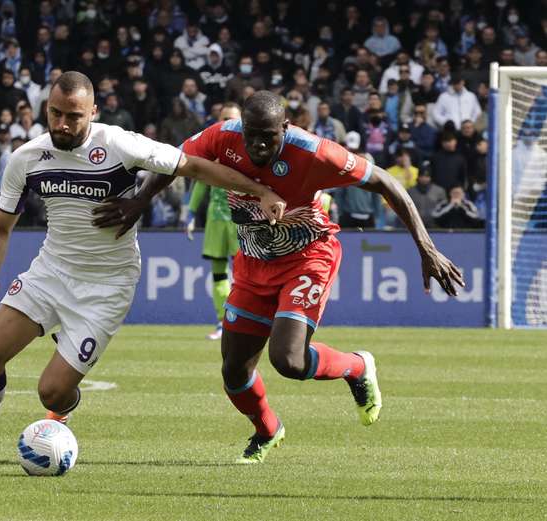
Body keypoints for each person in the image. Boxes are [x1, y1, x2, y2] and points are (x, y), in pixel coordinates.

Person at [0, 71, 286, 463]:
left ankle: (64, 405)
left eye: (73, 116)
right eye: (55, 114)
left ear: (93, 112)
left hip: (107, 284)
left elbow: (193, 166)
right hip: (51, 272)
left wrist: (261, 191)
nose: (62, 124)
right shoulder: (26, 158)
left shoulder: (119, 144)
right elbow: (0, 226)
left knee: (51, 392)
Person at [100, 91, 464, 463]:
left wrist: (426, 246)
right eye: (251, 134)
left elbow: (386, 181)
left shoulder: (315, 153)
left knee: (288, 360)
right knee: (234, 371)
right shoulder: (221, 137)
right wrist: (141, 201)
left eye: (268, 136)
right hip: (255, 263)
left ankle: (357, 366)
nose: (258, 144)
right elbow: (175, 161)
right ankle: (267, 429)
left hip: (308, 257)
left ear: (286, 129)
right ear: (241, 127)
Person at [185, 102, 242, 340]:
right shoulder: (212, 148)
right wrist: (190, 214)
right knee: (219, 274)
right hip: (216, 220)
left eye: (232, 119)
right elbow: (199, 181)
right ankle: (223, 322)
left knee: (244, 277)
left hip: (242, 221)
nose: (227, 123)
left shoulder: (247, 149)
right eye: (224, 118)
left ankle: (245, 322)